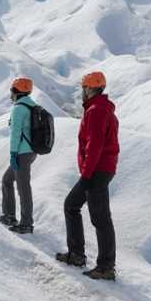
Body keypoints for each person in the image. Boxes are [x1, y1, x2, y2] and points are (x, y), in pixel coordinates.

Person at [55, 72, 119, 281]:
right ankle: (77, 254)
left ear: (89, 89)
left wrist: (87, 173)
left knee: (99, 217)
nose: (82, 92)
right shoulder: (100, 109)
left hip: (96, 171)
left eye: (83, 88)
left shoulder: (96, 111)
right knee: (74, 206)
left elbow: (95, 145)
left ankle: (105, 266)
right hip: (100, 169)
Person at [1, 77, 38, 233]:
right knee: (7, 180)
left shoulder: (18, 108)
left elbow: (15, 134)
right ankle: (9, 215)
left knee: (23, 188)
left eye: (11, 90)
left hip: (21, 152)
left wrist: (12, 154)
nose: (10, 93)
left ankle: (26, 223)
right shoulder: (32, 106)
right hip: (31, 151)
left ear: (16, 91)